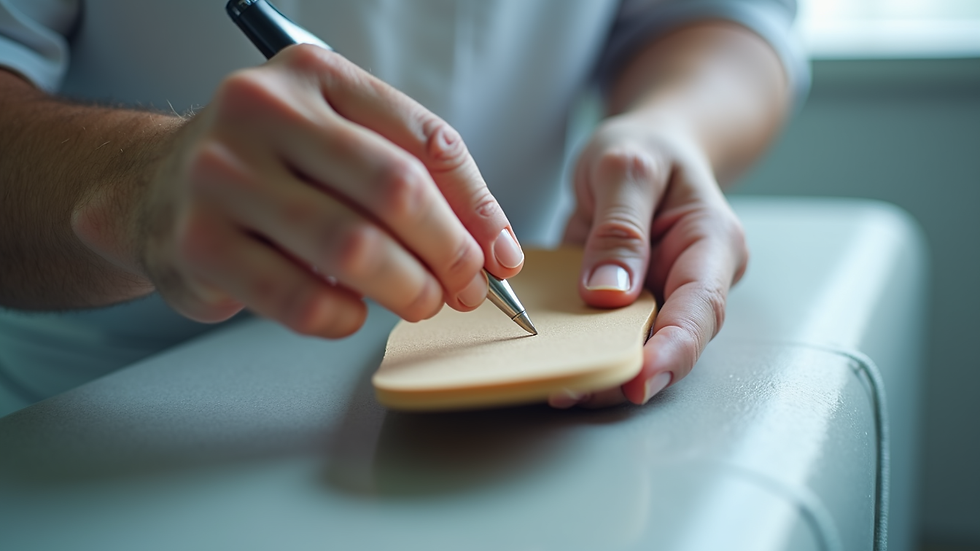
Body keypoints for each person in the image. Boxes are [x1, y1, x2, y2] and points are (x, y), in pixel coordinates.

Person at [0, 0, 807, 414]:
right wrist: (138, 183)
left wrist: (667, 130)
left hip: (511, 342)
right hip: (100, 413)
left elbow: (717, 20)